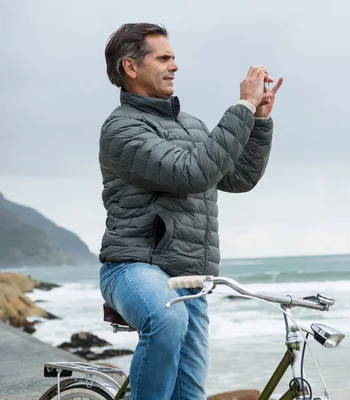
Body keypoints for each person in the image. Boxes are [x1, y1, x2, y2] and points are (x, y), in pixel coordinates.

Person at [97, 23, 283, 400]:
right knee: (167, 316)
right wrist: (242, 106)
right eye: (163, 58)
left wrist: (259, 119)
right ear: (130, 68)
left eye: (174, 57)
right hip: (133, 267)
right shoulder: (121, 129)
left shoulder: (193, 126)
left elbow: (240, 177)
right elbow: (191, 172)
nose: (175, 66)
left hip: (190, 280)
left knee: (190, 395)